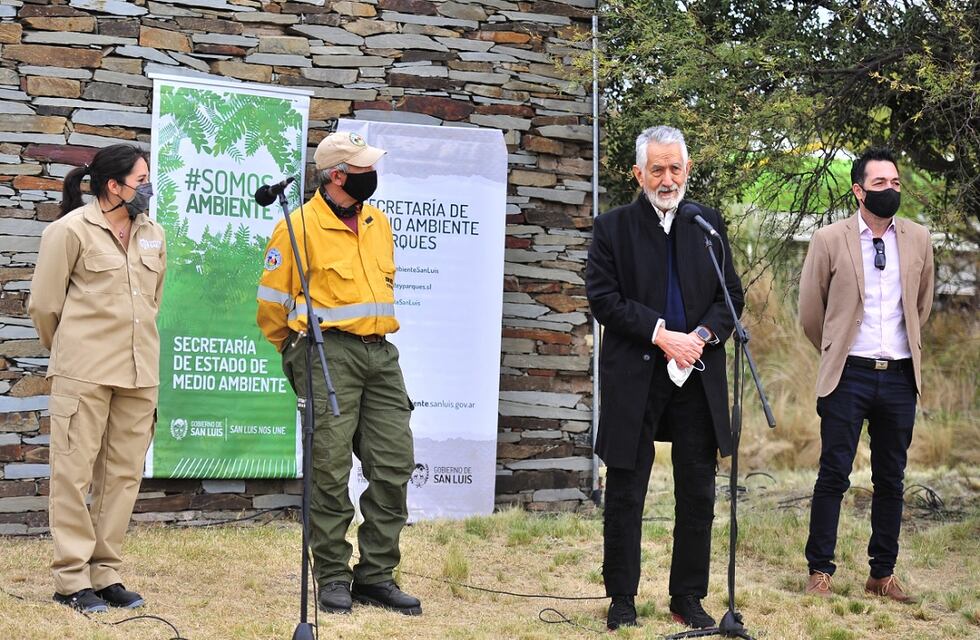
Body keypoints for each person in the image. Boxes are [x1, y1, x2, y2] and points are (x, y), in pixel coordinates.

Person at [586, 126, 744, 630]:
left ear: (687, 170)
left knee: (697, 491)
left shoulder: (707, 225)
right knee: (626, 492)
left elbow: (731, 299)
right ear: (639, 174)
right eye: (657, 168)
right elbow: (603, 300)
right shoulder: (613, 228)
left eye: (675, 168)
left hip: (696, 373)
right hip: (638, 375)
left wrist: (699, 334)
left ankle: (687, 597)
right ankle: (623, 599)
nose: (667, 177)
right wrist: (661, 334)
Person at [256, 131, 420, 616]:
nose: (373, 175)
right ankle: (331, 576)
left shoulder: (377, 221)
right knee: (329, 471)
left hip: (381, 355)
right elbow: (271, 307)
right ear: (336, 175)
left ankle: (376, 576)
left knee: (393, 465)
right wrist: (294, 353)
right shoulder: (297, 226)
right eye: (363, 168)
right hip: (327, 353)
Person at [28, 144, 165, 614]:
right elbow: (45, 306)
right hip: (83, 372)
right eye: (141, 178)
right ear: (114, 185)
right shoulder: (68, 231)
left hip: (138, 372)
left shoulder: (153, 234)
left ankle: (105, 573)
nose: (148, 187)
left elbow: (151, 303)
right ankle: (71, 579)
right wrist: (71, 352)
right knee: (73, 474)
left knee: (122, 477)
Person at [800, 147, 934, 603]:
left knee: (891, 479)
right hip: (848, 375)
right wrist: (837, 349)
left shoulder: (918, 239)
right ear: (859, 191)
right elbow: (810, 312)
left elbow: (922, 305)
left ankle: (882, 574)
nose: (889, 190)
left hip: (898, 375)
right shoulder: (829, 240)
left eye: (895, 183)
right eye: (880, 184)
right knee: (834, 474)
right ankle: (820, 570)